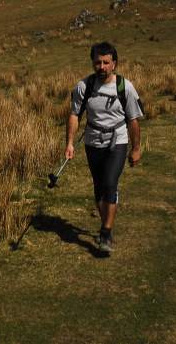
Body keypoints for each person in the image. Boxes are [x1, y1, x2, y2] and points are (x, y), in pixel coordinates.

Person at [66, 42, 143, 254]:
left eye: (106, 62)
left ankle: (106, 232)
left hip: (118, 141)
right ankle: (106, 225)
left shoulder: (125, 87)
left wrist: (136, 149)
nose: (102, 67)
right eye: (98, 62)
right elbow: (74, 115)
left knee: (110, 184)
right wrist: (69, 143)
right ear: (93, 63)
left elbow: (133, 120)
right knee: (99, 187)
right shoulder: (84, 87)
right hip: (93, 142)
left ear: (114, 64)